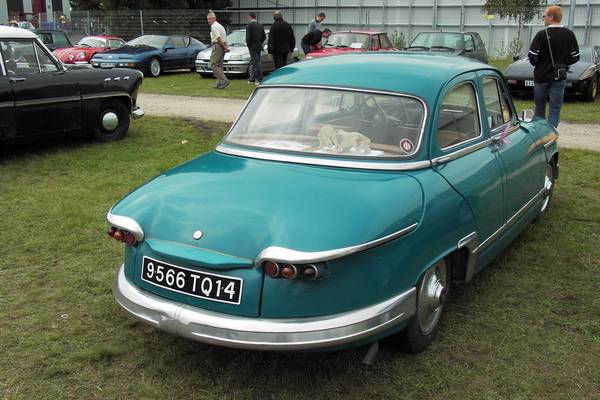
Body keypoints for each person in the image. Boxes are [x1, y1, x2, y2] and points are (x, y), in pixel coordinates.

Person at [528, 5, 579, 128]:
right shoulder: (569, 34)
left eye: (544, 16)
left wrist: (540, 64)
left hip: (541, 76)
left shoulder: (541, 35)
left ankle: (540, 132)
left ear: (551, 17)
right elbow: (576, 56)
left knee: (540, 107)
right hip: (559, 76)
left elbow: (532, 57)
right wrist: (563, 64)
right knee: (555, 108)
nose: (543, 18)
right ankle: (552, 134)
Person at [207, 11, 230, 89]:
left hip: (218, 45)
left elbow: (218, 38)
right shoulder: (220, 26)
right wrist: (225, 47)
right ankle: (219, 82)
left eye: (210, 18)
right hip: (221, 45)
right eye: (208, 19)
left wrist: (224, 47)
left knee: (213, 64)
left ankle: (224, 81)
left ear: (214, 18)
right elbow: (224, 38)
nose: (208, 20)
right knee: (219, 65)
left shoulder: (214, 26)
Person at [245, 12, 266, 85]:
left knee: (256, 63)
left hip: (252, 47)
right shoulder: (260, 25)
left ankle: (260, 79)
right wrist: (259, 42)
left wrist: (248, 44)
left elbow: (248, 37)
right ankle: (252, 79)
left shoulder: (249, 26)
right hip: (259, 46)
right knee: (254, 62)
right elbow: (264, 37)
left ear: (250, 17)